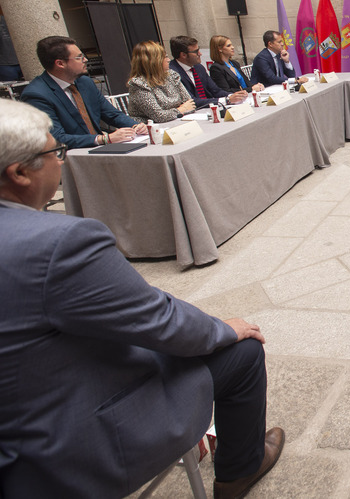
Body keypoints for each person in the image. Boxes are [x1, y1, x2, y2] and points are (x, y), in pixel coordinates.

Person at [0, 99, 284, 498]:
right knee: (243, 351)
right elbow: (157, 320)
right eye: (55, 152)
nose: (61, 163)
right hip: (50, 447)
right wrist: (223, 329)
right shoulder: (57, 243)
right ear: (19, 173)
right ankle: (240, 471)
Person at [20, 35, 148, 148]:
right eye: (79, 57)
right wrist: (103, 139)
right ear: (60, 63)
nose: (86, 60)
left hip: (101, 149)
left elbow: (112, 114)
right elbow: (56, 138)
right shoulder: (36, 95)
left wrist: (135, 126)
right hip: (72, 158)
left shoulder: (84, 82)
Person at [127, 40, 197, 123]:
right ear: (153, 62)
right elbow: (159, 116)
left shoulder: (171, 75)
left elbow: (190, 104)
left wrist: (180, 110)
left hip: (176, 121)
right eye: (165, 57)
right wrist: (181, 110)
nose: (168, 60)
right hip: (150, 129)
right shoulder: (139, 85)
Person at [169, 35, 247, 108]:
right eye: (196, 52)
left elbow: (216, 91)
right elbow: (192, 101)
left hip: (210, 107)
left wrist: (233, 96)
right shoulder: (173, 73)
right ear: (183, 55)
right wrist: (226, 100)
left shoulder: (199, 68)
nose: (200, 54)